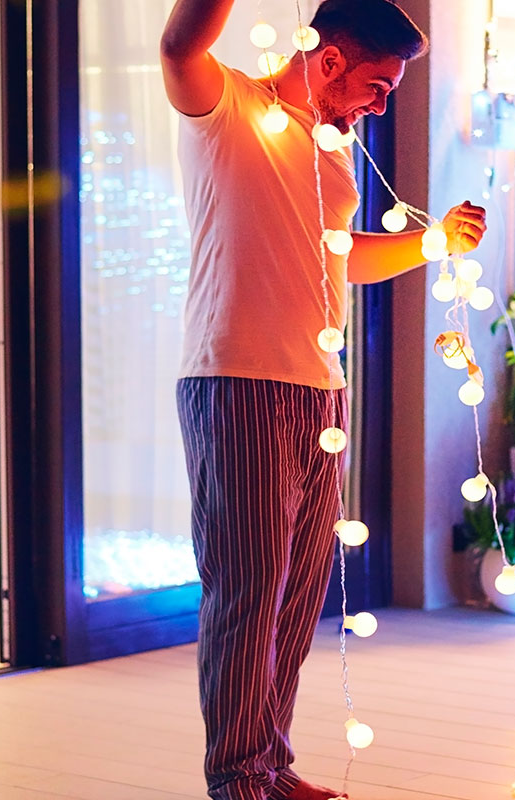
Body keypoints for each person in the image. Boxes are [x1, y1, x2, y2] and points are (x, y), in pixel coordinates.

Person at [158, 1, 487, 798]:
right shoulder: (225, 106)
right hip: (235, 380)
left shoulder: (328, 151)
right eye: (377, 85)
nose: (380, 104)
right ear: (331, 59)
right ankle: (237, 777)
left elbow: (342, 258)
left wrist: (431, 239)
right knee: (248, 591)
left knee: (298, 594)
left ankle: (270, 762)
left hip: (320, 391)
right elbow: (178, 43)